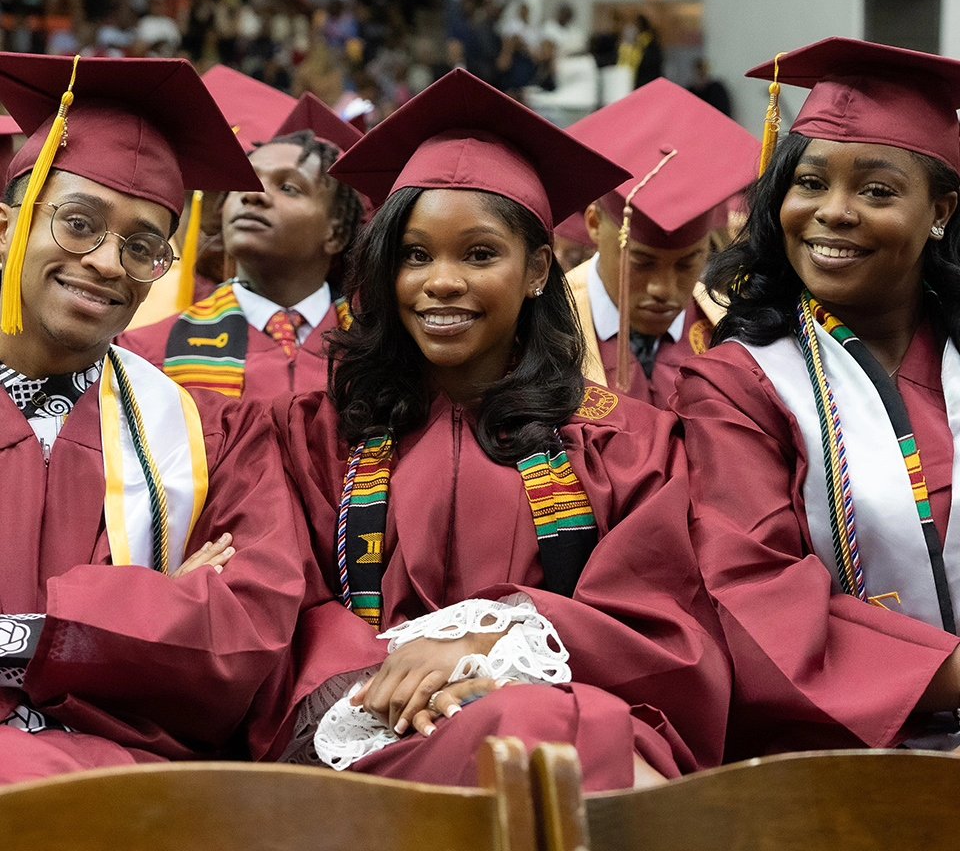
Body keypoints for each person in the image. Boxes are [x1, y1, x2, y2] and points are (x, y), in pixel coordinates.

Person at [272, 69, 731, 790]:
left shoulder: (626, 444)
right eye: (415, 255)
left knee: (529, 730)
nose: (441, 282)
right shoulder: (317, 433)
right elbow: (289, 608)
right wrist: (399, 681)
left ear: (539, 269)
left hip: (560, 726)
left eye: (479, 254)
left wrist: (493, 648)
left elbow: (665, 628)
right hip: (367, 743)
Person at [0, 53, 309, 782]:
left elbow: (245, 630)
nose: (109, 263)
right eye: (78, 224)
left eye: (144, 246)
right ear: (6, 226)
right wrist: (144, 616)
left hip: (130, 784)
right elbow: (186, 629)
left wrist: (25, 635)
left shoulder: (215, 437)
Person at [673, 37, 960, 757]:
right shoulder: (738, 385)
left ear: (941, 212)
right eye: (809, 183)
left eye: (877, 190)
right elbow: (752, 596)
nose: (833, 212)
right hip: (841, 766)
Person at [119, 89, 365, 404]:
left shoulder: (377, 351)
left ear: (336, 233)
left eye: (288, 187)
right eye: (246, 183)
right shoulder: (149, 353)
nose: (253, 195)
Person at [559, 78, 759, 409]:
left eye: (687, 263)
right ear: (594, 224)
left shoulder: (730, 329)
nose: (663, 289)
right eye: (642, 262)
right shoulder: (544, 329)